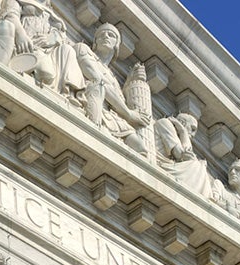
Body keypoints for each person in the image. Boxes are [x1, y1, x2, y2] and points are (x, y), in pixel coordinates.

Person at [75, 23, 150, 153]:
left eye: (111, 35)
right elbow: (97, 79)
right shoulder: (83, 49)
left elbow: (117, 98)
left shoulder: (113, 78)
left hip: (112, 118)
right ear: (95, 42)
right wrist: (129, 113)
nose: (105, 36)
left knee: (141, 148)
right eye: (101, 35)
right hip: (89, 100)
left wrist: (129, 84)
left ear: (116, 44)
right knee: (98, 85)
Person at [154, 112, 211, 196]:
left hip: (170, 166)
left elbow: (187, 155)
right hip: (161, 164)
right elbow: (180, 154)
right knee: (198, 166)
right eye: (192, 129)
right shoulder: (165, 123)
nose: (193, 134)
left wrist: (183, 133)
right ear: (183, 123)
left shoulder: (178, 136)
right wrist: (183, 132)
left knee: (200, 165)